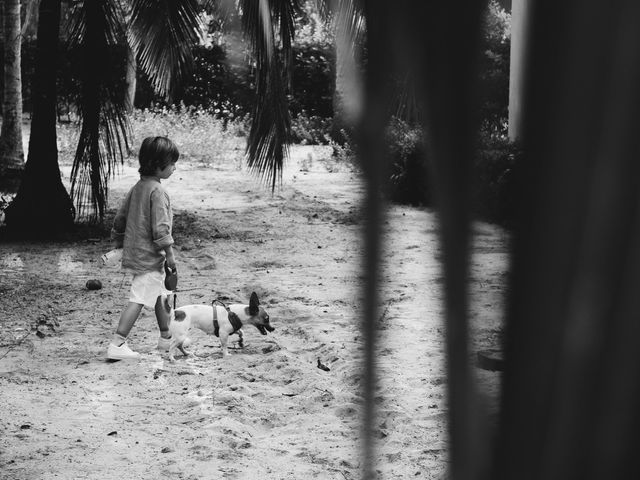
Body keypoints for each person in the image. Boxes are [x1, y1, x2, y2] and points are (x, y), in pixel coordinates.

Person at [106, 136, 179, 360]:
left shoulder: (137, 188)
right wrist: (170, 255)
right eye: (172, 163)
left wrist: (119, 243)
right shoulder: (158, 191)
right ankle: (117, 343)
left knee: (161, 296)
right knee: (138, 298)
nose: (174, 168)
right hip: (151, 257)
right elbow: (161, 229)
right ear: (158, 165)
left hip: (137, 253)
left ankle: (166, 338)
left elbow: (120, 219)